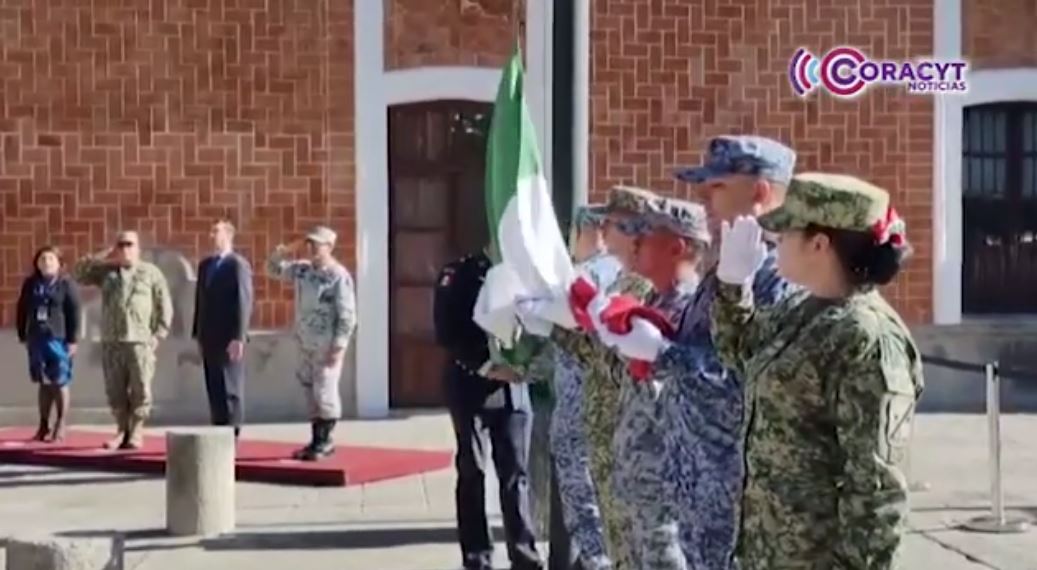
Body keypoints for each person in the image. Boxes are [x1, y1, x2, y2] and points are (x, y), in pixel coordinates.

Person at [601, 173, 924, 569]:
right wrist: (733, 286)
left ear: (819, 245)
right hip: (765, 550)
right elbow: (738, 350)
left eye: (786, 233)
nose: (775, 241)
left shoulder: (867, 338)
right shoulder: (801, 312)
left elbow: (877, 489)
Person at [651, 135, 796, 569]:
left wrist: (665, 354)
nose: (705, 198)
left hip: (734, 492)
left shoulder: (779, 277)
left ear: (760, 191)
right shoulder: (729, 270)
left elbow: (745, 379)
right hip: (699, 479)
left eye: (717, 186)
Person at [519, 186, 657, 570]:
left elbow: (610, 352)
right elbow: (590, 347)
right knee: (596, 514)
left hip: (601, 418)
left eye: (611, 225)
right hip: (595, 416)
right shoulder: (619, 278)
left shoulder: (607, 279)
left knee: (592, 512)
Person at [606, 198, 709, 569]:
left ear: (677, 247)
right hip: (640, 478)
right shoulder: (654, 301)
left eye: (645, 237)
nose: (634, 245)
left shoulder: (693, 310)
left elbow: (700, 385)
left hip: (667, 484)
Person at [434, 247, 543, 570]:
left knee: (516, 474)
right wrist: (486, 366)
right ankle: (477, 555)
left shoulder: (527, 272)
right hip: (471, 386)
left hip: (513, 390)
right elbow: (447, 330)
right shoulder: (461, 274)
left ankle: (524, 555)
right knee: (473, 470)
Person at [547, 204, 622, 570]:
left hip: (581, 413)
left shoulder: (586, 276)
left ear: (586, 233)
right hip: (611, 412)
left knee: (584, 506)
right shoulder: (624, 275)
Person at [73, 231, 173, 450]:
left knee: (141, 388)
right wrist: (104, 255)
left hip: (140, 341)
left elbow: (164, 305)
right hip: (113, 340)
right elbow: (78, 273)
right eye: (121, 245)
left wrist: (158, 335)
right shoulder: (107, 273)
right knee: (115, 389)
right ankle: (121, 430)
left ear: (138, 249)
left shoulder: (150, 273)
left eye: (130, 245)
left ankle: (136, 430)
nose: (125, 249)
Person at [267, 225, 356, 461]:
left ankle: (326, 440)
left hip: (326, 345)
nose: (312, 248)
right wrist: (286, 250)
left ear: (329, 247)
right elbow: (272, 269)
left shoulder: (338, 276)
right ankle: (316, 440)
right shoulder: (303, 270)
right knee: (310, 391)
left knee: (325, 391)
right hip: (305, 342)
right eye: (310, 244)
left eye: (317, 244)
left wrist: (339, 346)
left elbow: (347, 315)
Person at [192, 219, 254, 438]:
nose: (211, 236)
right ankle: (218, 432)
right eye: (210, 232)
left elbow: (243, 301)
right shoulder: (205, 265)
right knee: (215, 386)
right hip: (209, 335)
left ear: (228, 236)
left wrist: (239, 336)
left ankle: (232, 433)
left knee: (230, 387)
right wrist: (197, 332)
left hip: (229, 337)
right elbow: (200, 301)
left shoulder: (237, 265)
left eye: (216, 232)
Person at [16, 246, 81, 443]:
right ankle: (44, 424)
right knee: (43, 382)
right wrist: (22, 333)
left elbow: (74, 312)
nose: (46, 263)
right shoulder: (31, 284)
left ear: (59, 263)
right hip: (37, 338)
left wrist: (73, 339)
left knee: (59, 380)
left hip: (58, 339)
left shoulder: (66, 284)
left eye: (51, 259)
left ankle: (61, 423)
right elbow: (22, 309)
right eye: (42, 259)